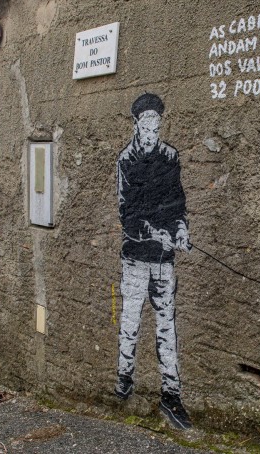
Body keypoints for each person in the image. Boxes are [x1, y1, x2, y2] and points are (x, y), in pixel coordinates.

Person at [114, 93, 192, 430]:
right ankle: (124, 379)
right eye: (147, 127)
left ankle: (171, 394)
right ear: (136, 124)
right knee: (130, 322)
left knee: (166, 327)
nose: (152, 133)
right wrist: (151, 232)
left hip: (165, 260)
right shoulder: (126, 161)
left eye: (157, 127)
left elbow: (177, 201)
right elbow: (126, 214)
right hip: (135, 259)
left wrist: (181, 230)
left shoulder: (170, 157)